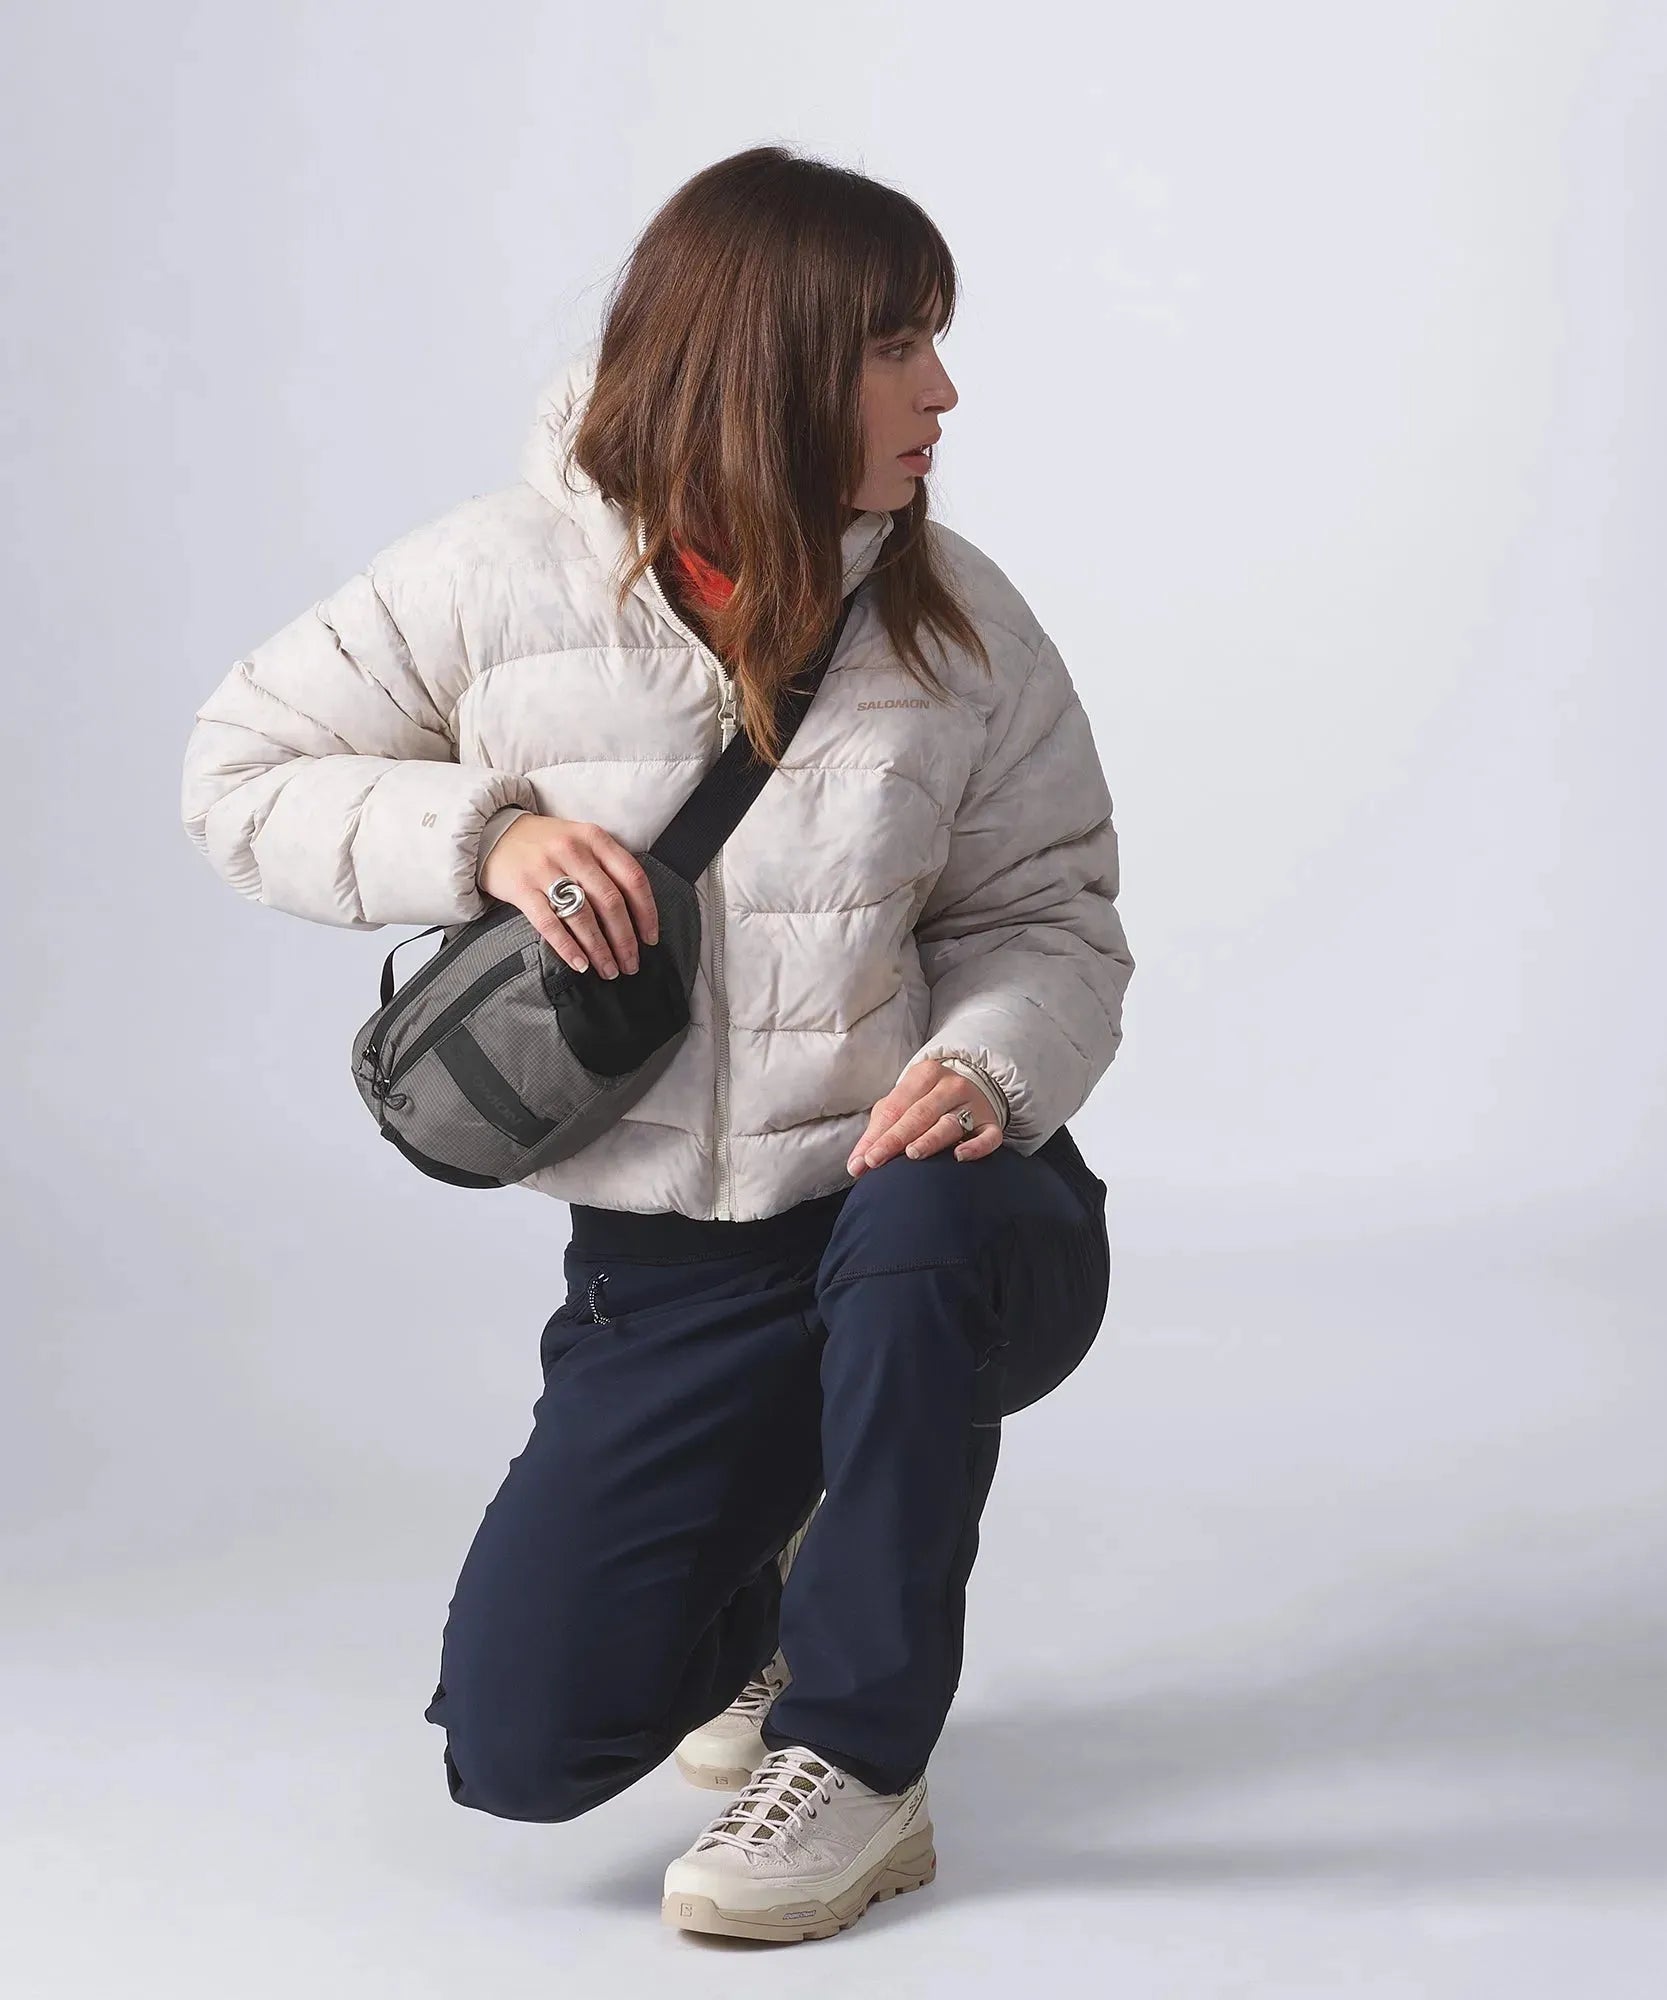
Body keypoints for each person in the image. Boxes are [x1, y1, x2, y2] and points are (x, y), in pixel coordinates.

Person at [180, 144, 1135, 1945]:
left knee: (923, 1228)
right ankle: (776, 1565)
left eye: (934, 341)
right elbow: (237, 776)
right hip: (672, 1274)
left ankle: (858, 1757)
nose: (942, 392)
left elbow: (1052, 919)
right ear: (769, 359)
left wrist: (990, 1069)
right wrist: (484, 836)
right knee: (522, 1747)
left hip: (923, 1216)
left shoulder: (960, 622)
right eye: (896, 347)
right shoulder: (491, 579)